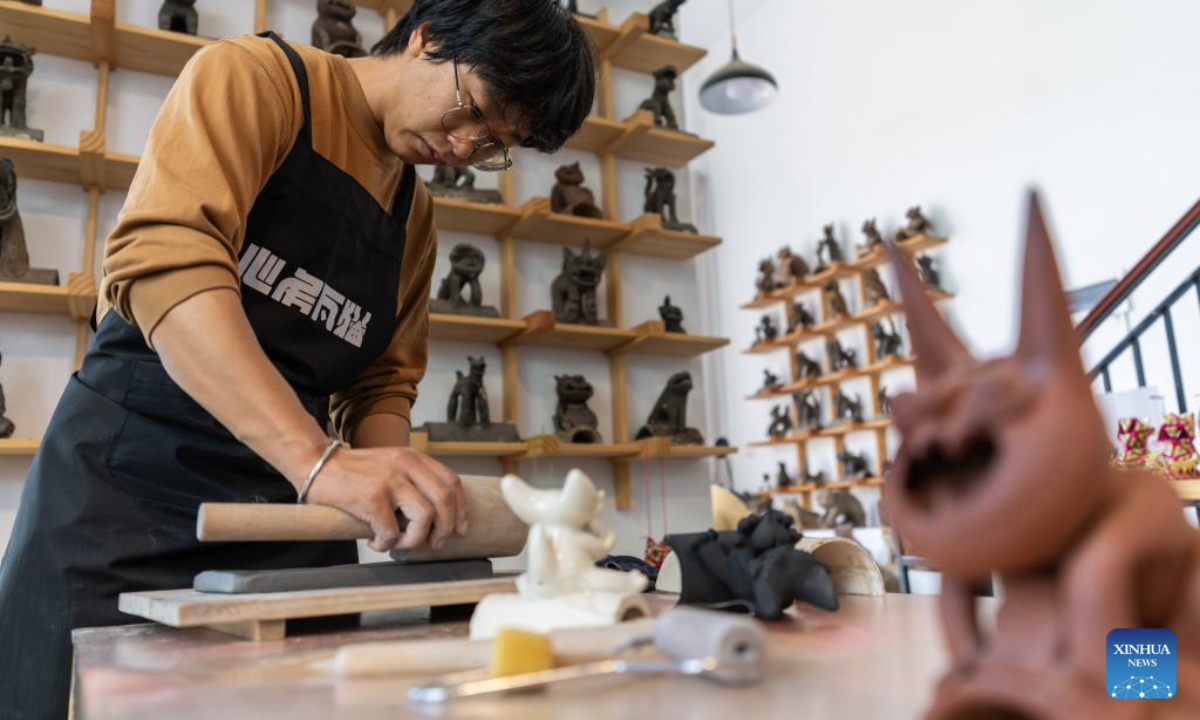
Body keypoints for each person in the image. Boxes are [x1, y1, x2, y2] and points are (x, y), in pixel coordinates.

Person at [0, 1, 596, 717]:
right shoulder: (258, 80)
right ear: (430, 38)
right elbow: (168, 266)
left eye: (497, 143)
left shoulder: (415, 217)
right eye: (476, 109)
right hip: (121, 495)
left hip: (288, 527)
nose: (466, 146)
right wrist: (321, 463)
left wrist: (397, 499)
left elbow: (382, 379)